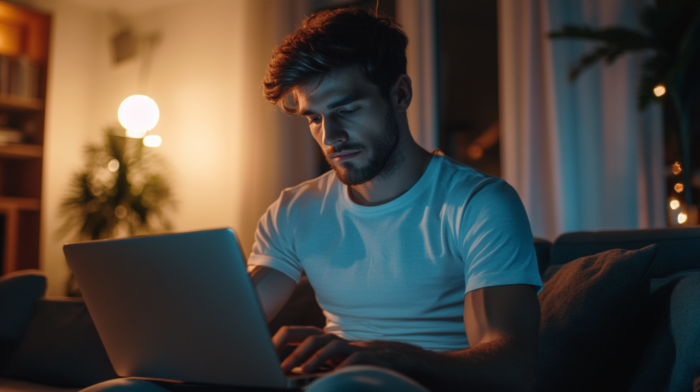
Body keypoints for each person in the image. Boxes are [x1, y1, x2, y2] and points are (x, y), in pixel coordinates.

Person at [85, 7, 542, 392]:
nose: (331, 137)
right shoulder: (295, 209)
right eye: (314, 119)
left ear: (399, 94)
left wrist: (390, 357)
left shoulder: (478, 203)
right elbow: (231, 324)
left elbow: (510, 365)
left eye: (346, 110)